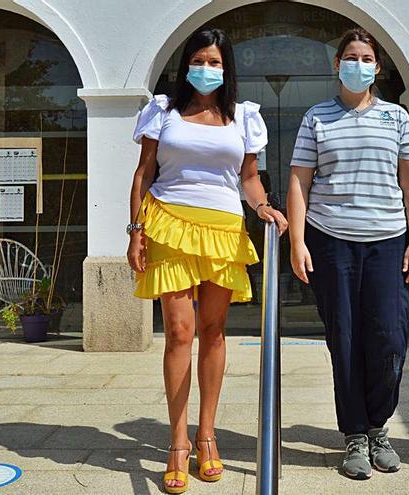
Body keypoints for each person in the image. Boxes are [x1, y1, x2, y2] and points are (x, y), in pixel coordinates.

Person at [127, 27, 287, 494]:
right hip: (168, 223)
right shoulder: (163, 111)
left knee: (214, 332)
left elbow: (249, 178)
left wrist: (262, 207)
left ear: (226, 68)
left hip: (222, 228)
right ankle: (177, 443)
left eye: (216, 62)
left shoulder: (244, 117)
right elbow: (143, 174)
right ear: (187, 64)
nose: (207, 69)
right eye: (200, 60)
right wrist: (135, 231)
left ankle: (207, 435)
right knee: (179, 331)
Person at [286, 27, 409, 480]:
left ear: (377, 67)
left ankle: (379, 426)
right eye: (350, 56)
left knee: (388, 338)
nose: (358, 64)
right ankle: (355, 437)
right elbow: (299, 182)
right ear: (337, 64)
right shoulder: (316, 117)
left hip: (388, 241)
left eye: (366, 57)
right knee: (344, 340)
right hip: (332, 243)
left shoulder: (397, 117)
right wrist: (298, 241)